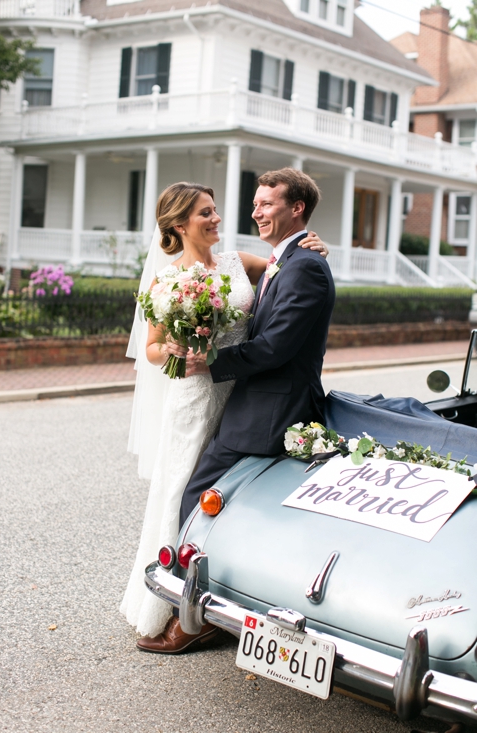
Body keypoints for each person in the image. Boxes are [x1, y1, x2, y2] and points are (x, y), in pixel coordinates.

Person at [121, 175, 331, 653]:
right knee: (183, 490)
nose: (218, 218)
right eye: (205, 213)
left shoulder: (240, 261)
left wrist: (316, 244)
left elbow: (289, 273)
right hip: (201, 395)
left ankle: (216, 602)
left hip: (243, 393)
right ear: (178, 223)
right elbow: (151, 350)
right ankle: (180, 606)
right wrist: (172, 346)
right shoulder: (167, 280)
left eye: (216, 210)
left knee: (229, 496)